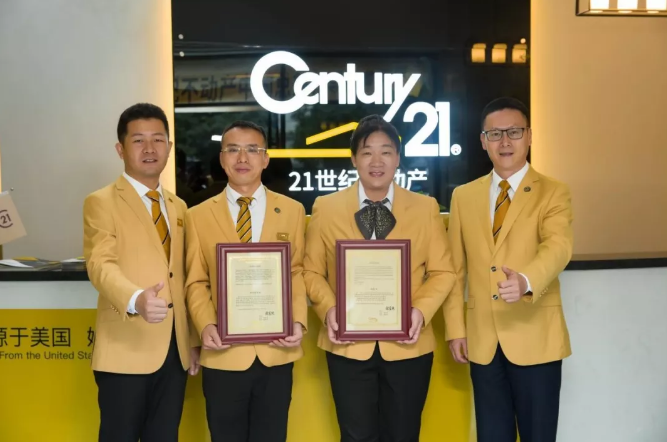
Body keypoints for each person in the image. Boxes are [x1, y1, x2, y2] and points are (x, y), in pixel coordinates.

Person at [303, 115, 455, 442]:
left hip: (408, 345)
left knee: (404, 434)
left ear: (398, 158)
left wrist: (420, 311)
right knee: (355, 436)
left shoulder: (425, 208)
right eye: (367, 152)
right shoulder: (326, 208)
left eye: (386, 152)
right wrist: (330, 310)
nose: (376, 161)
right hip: (347, 346)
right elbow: (311, 271)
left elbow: (443, 272)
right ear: (353, 159)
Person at [443, 97, 573, 442]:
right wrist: (455, 328)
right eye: (495, 133)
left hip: (535, 335)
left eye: (514, 132)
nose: (505, 141)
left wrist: (527, 280)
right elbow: (454, 270)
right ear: (482, 141)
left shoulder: (553, 192)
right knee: (491, 435)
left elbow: (558, 246)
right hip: (482, 340)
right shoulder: (463, 196)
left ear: (529, 136)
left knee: (538, 435)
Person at [83, 103, 200, 442]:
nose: (150, 149)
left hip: (174, 352)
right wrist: (136, 299)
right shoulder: (101, 202)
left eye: (158, 140)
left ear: (169, 147)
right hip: (126, 348)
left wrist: (192, 340)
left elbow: (185, 277)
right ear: (120, 149)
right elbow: (100, 264)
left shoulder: (179, 207)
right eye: (138, 141)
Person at [185, 121, 307, 442]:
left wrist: (297, 321)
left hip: (276, 349)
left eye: (252, 149)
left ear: (265, 159)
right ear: (222, 159)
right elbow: (196, 280)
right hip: (223, 352)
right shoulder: (197, 216)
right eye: (233, 149)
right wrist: (205, 325)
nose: (242, 158)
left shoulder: (292, 211)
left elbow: (296, 272)